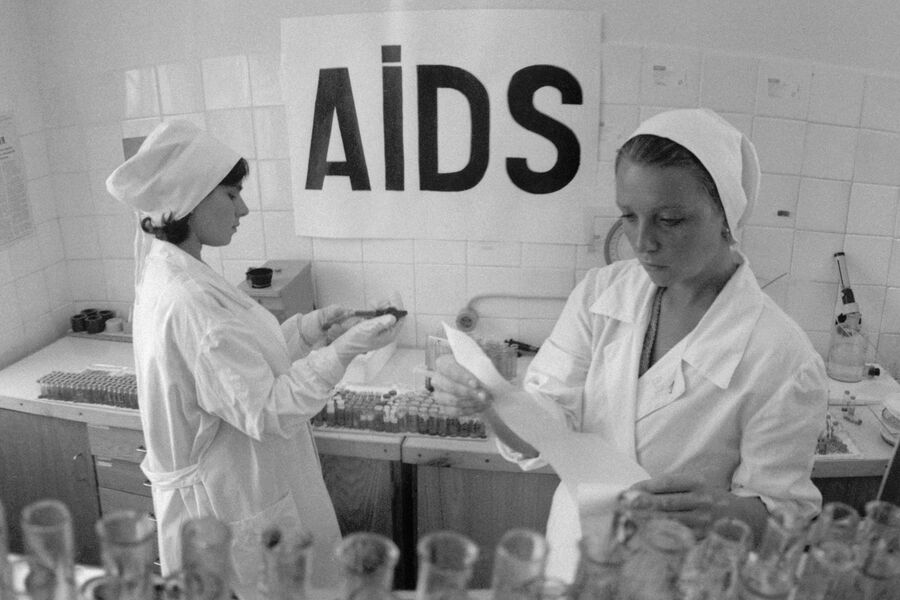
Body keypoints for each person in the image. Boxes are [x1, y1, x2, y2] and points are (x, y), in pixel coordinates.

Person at [431, 108, 828, 580]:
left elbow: (787, 518)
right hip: (574, 553)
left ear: (727, 216)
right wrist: (491, 403)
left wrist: (724, 511)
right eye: (628, 216)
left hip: (682, 575)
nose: (642, 242)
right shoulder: (601, 295)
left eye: (670, 219)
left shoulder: (782, 357)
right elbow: (548, 425)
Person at [106, 120, 403, 597]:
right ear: (191, 199)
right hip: (224, 507)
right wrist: (345, 351)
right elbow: (265, 409)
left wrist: (312, 330)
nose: (242, 208)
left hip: (241, 487)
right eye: (231, 194)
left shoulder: (179, 271)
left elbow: (235, 371)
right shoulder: (188, 299)